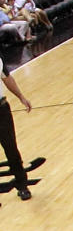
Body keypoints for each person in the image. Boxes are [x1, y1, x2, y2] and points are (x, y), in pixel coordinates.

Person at [0, 57, 35, 200]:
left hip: (1, 109)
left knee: (11, 148)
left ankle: (22, 185)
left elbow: (6, 78)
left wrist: (21, 96)